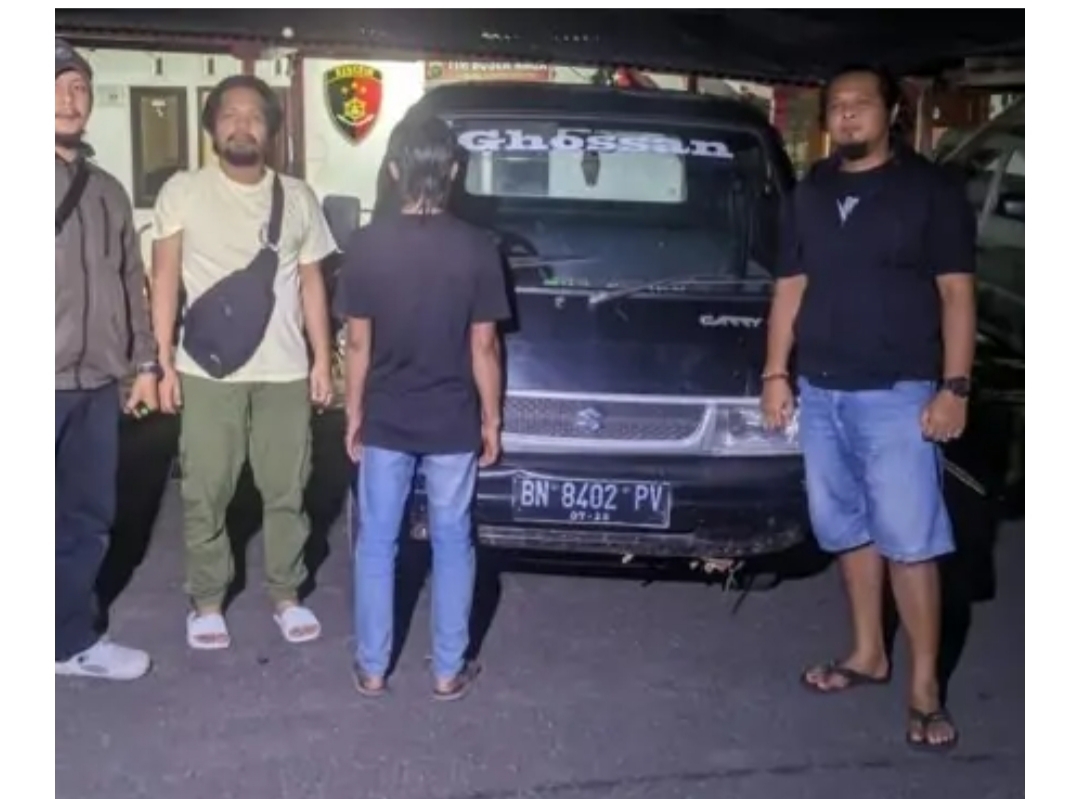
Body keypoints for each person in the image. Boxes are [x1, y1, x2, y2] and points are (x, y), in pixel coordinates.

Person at [761, 65, 976, 752]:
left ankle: (924, 689)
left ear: (892, 113)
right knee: (846, 529)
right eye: (837, 105)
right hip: (821, 391)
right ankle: (866, 653)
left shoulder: (930, 192)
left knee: (910, 541)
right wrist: (775, 372)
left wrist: (954, 386)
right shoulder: (810, 192)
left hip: (898, 393)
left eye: (860, 103)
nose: (847, 114)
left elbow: (956, 293)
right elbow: (790, 287)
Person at [150, 75, 338, 650]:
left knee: (288, 489)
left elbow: (312, 283)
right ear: (212, 127)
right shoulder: (183, 191)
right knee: (205, 490)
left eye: (254, 116)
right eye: (230, 114)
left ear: (271, 131)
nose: (241, 125)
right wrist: (160, 361)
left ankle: (286, 593)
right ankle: (207, 601)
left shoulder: (298, 197)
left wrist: (322, 360)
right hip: (207, 371)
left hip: (284, 370)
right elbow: (163, 278)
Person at [341, 114, 510, 701]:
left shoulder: (366, 244)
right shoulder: (478, 247)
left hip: (387, 416)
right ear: (453, 172)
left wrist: (353, 413)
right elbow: (484, 346)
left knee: (377, 542)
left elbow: (357, 343)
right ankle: (447, 670)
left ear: (394, 169)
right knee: (453, 540)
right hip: (452, 419)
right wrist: (492, 419)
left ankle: (372, 668)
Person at [55, 38, 158, 680]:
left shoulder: (109, 191)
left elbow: (129, 282)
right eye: (54, 86)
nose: (68, 100)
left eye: (79, 87)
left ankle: (67, 643)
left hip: (95, 384)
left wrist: (143, 363)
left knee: (86, 520)